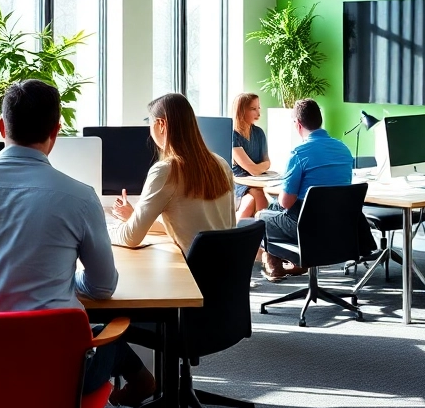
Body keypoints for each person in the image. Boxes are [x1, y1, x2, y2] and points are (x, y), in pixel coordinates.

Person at [0, 79, 155, 406]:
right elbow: (102, 288)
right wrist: (59, 280)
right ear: (55, 132)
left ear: (0, 127)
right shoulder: (81, 197)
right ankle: (141, 380)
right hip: (58, 382)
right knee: (106, 336)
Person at [109, 93, 237, 250]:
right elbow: (195, 224)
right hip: (225, 267)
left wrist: (100, 230)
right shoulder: (221, 163)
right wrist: (135, 217)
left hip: (191, 272)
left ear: (161, 124)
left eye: (150, 124)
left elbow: (130, 237)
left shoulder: (166, 171)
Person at [256, 98, 354, 282]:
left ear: (298, 124)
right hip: (338, 225)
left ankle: (275, 267)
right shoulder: (344, 149)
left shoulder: (299, 153)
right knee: (275, 208)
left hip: (307, 227)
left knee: (261, 216)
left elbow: (287, 202)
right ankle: (296, 264)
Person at [230, 92, 271, 219]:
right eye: (253, 109)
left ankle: (238, 233)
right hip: (238, 182)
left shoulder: (259, 133)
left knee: (253, 201)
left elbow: (268, 162)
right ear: (241, 111)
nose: (258, 113)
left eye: (258, 108)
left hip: (257, 182)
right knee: (255, 201)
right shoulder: (233, 135)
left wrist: (257, 169)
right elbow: (252, 169)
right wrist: (259, 168)